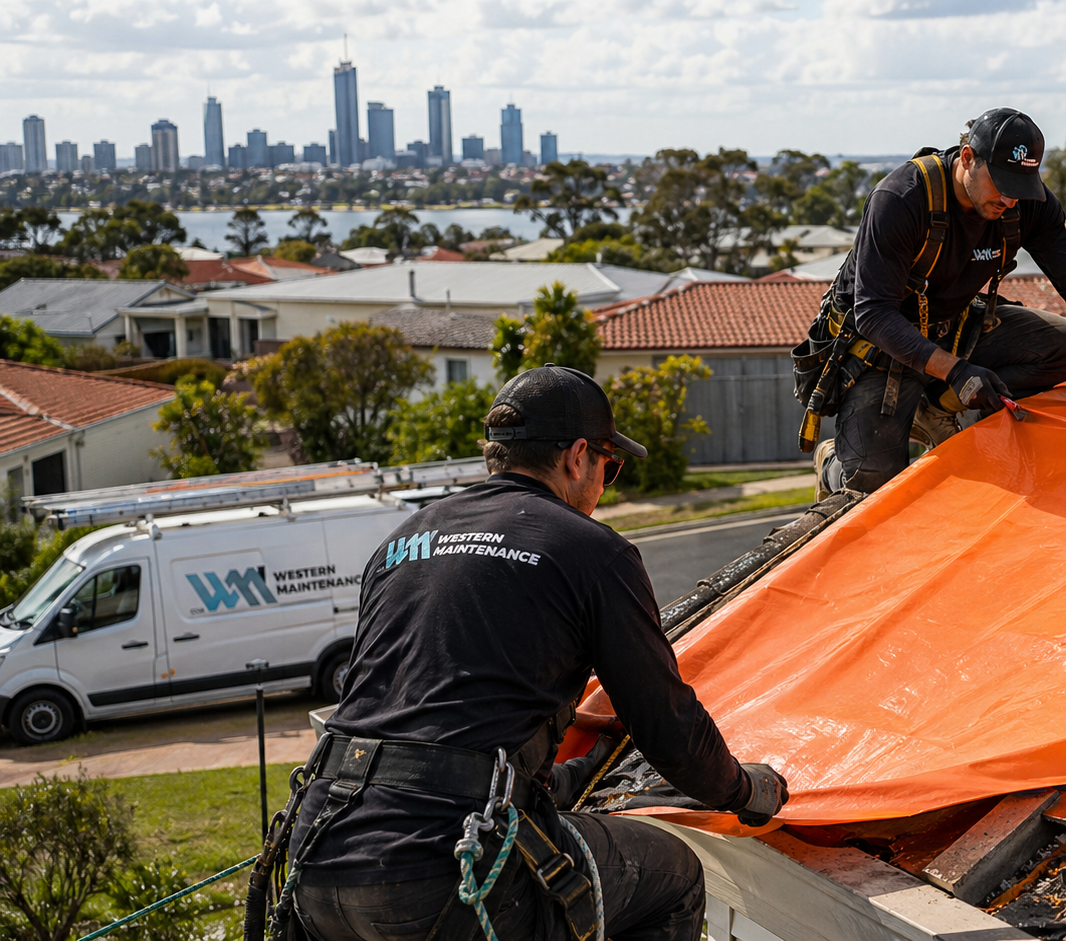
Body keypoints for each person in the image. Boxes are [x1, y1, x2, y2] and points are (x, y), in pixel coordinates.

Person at [279, 365, 788, 941]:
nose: (603, 487)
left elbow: (427, 721)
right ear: (577, 457)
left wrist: (575, 765)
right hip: (442, 872)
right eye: (610, 468)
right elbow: (668, 728)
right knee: (673, 878)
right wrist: (745, 790)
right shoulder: (592, 550)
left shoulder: (403, 539)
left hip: (317, 854)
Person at [811, 107, 1066, 496]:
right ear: (969, 158)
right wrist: (958, 372)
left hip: (953, 328)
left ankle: (934, 407)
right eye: (1002, 184)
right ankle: (833, 463)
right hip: (881, 347)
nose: (1010, 199)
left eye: (1020, 186)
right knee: (872, 487)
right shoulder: (901, 199)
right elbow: (873, 312)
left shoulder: (1024, 200)